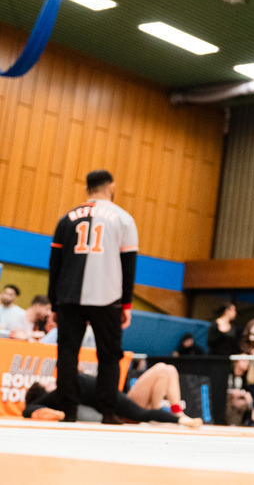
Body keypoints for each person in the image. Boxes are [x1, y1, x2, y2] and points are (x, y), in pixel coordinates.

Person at [48, 169, 137, 424]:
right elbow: (128, 265)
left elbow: (55, 263)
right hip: (107, 297)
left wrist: (54, 302)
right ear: (111, 186)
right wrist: (126, 304)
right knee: (109, 356)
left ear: (87, 188)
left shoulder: (67, 218)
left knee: (67, 353)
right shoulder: (123, 219)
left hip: (69, 297)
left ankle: (69, 411)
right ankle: (108, 413)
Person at [23, 366, 202, 427]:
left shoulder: (63, 389)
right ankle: (177, 419)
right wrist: (51, 413)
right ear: (44, 392)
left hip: (120, 397)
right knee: (141, 414)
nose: (52, 380)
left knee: (167, 369)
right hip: (120, 405)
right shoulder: (56, 395)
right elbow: (28, 409)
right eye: (47, 383)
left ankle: (176, 412)